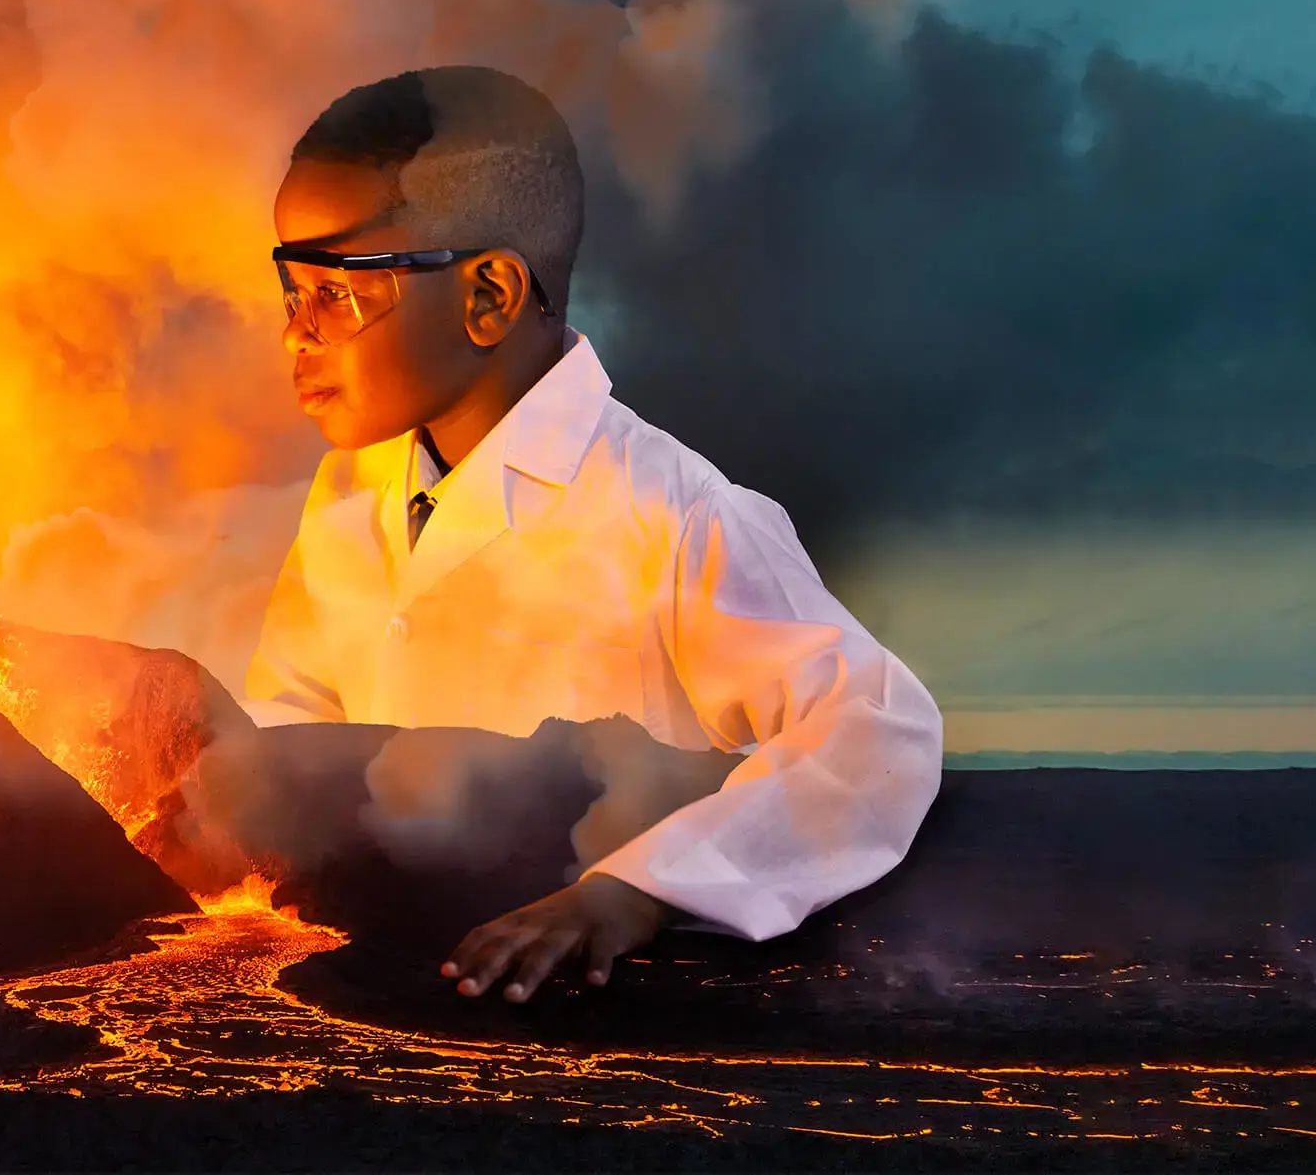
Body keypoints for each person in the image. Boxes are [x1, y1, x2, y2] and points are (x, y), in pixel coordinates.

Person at [245, 65, 944, 1005]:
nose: (296, 336)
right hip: (392, 989)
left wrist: (639, 890)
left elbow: (877, 733)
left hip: (602, 1022)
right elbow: (295, 722)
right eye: (292, 289)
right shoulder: (347, 495)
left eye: (338, 292)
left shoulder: (675, 512)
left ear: (489, 294)